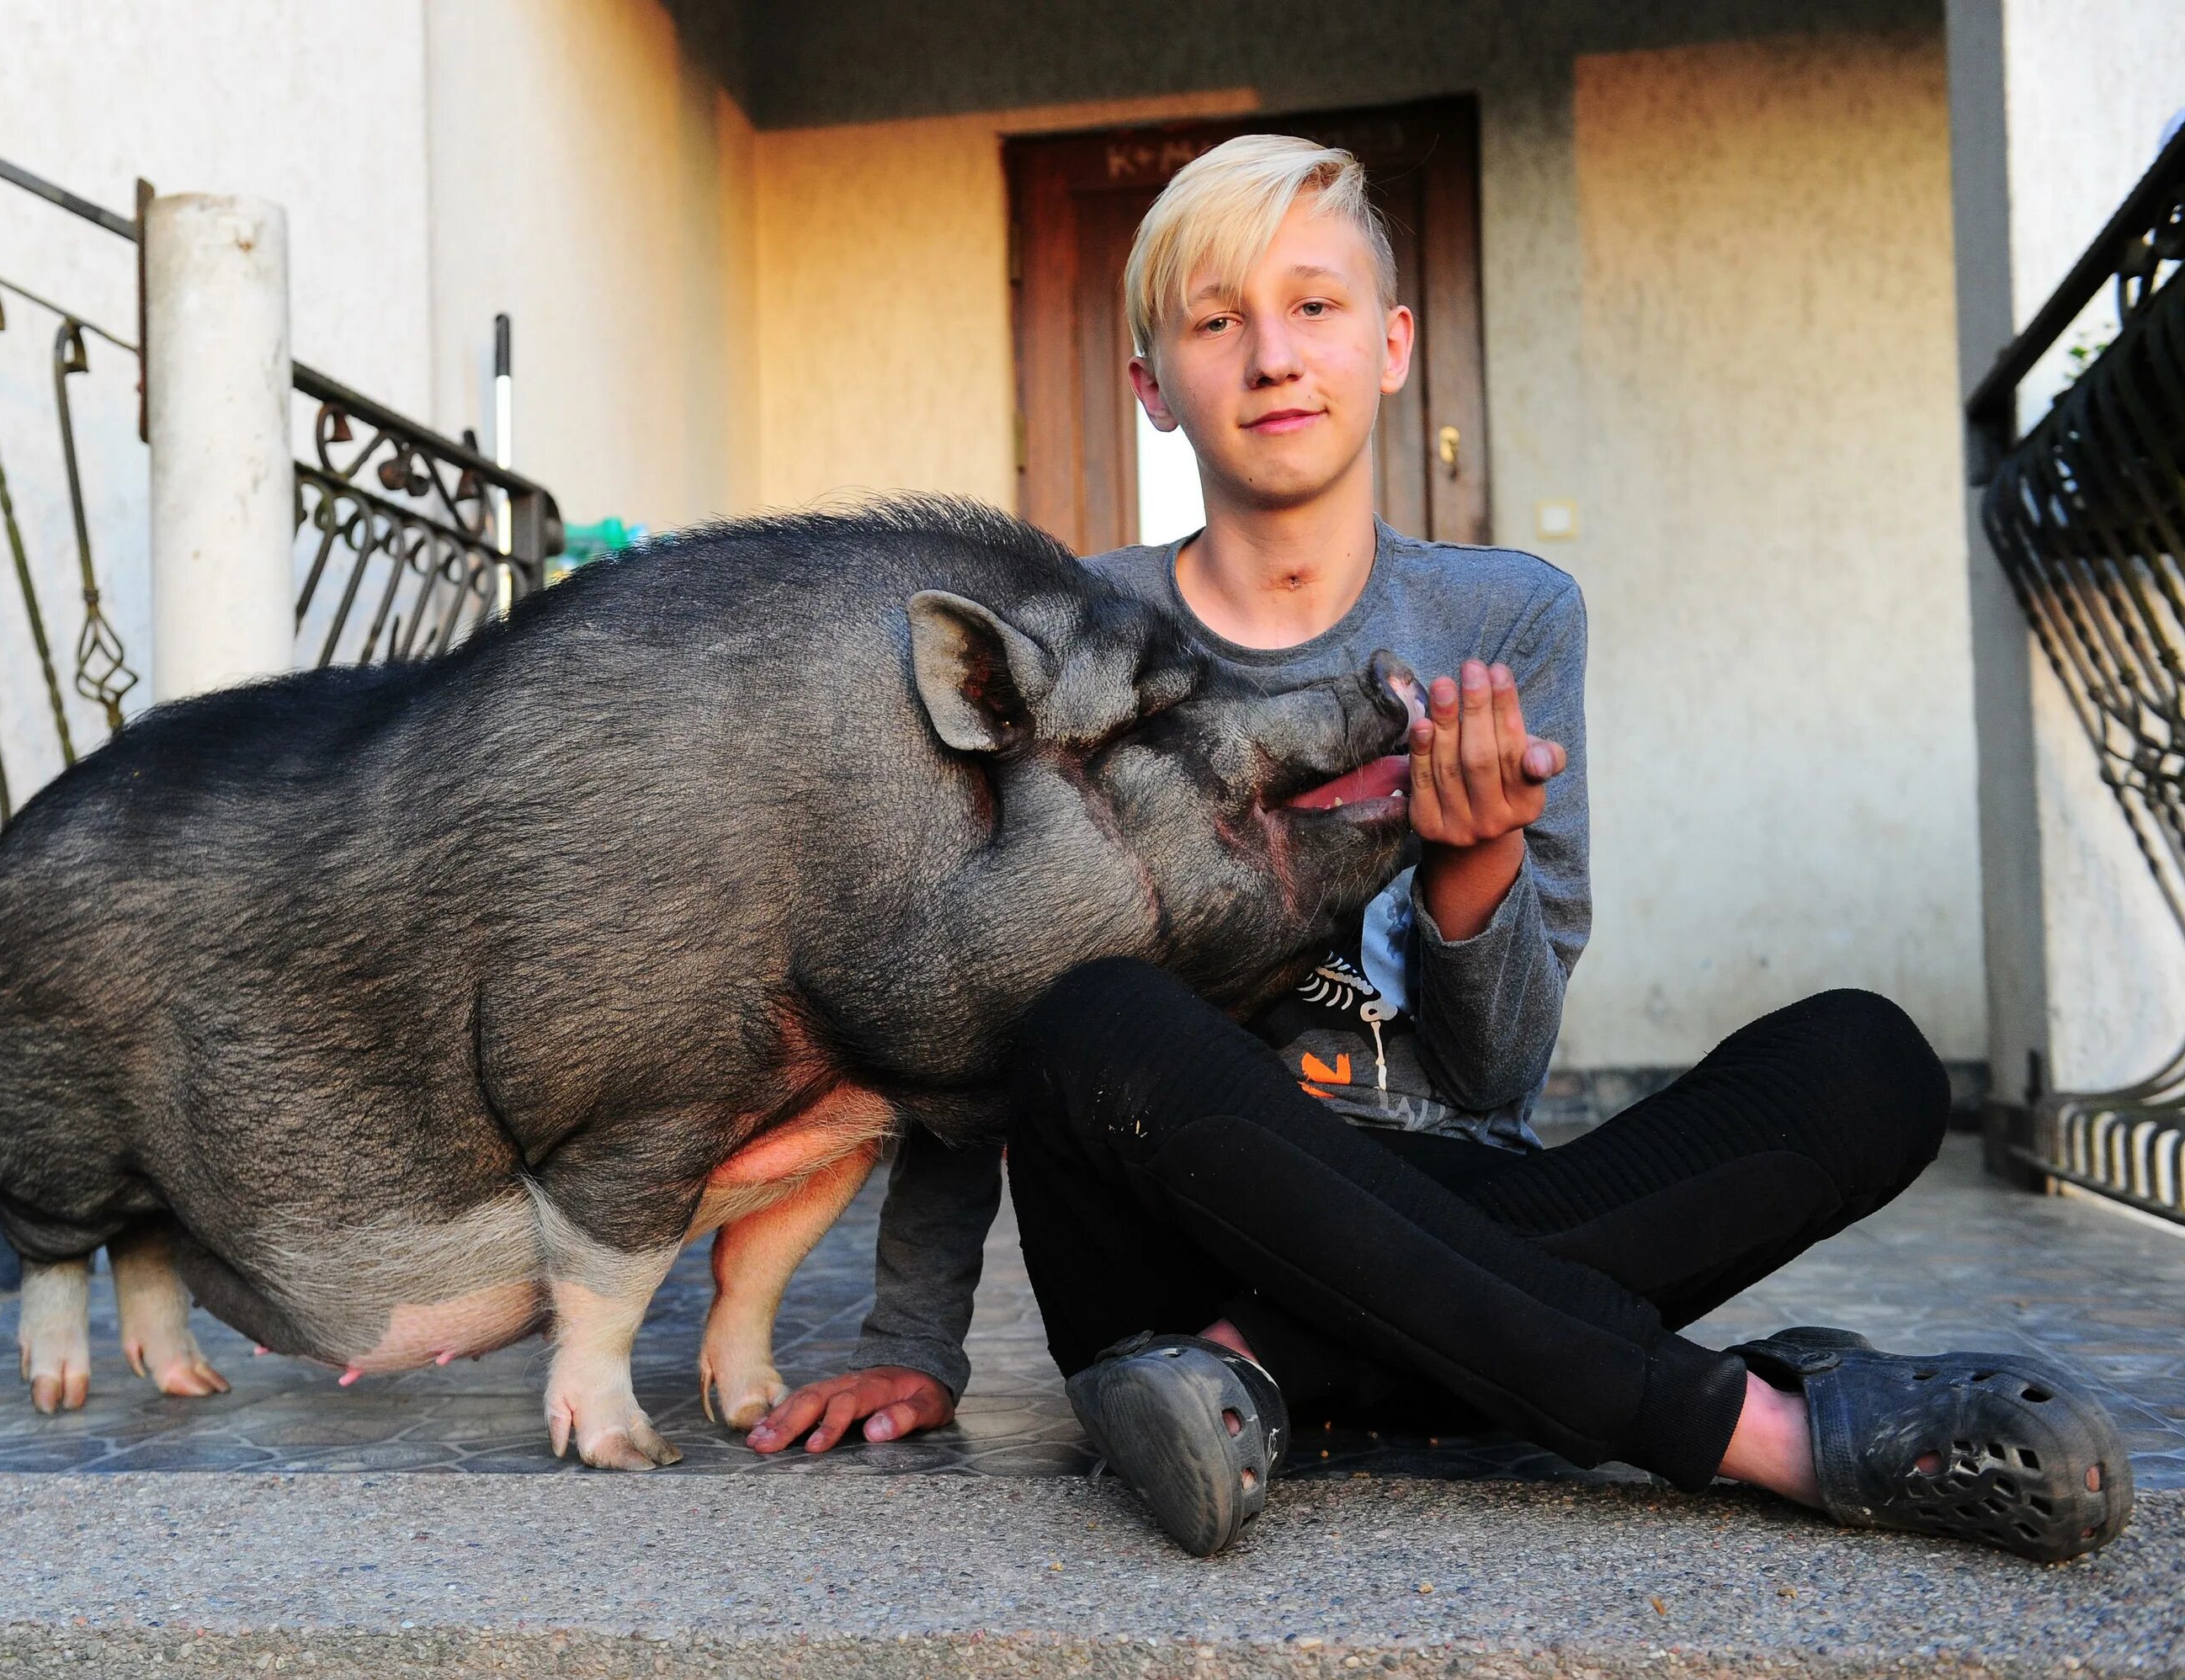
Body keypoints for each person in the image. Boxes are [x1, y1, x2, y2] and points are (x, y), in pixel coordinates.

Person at [748, 136, 2130, 1563]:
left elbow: (1496, 1075)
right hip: (1162, 1229)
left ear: (1394, 345)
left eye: (1317, 306)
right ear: (1153, 384)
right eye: (1218, 321)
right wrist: (914, 1338)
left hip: (1445, 1188)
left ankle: (1258, 1374)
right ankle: (1765, 1429)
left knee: (1871, 1062)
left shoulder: (1507, 620)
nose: (1274, 354)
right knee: (1090, 1018)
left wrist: (1472, 876)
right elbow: (974, 1012)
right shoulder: (1070, 634)